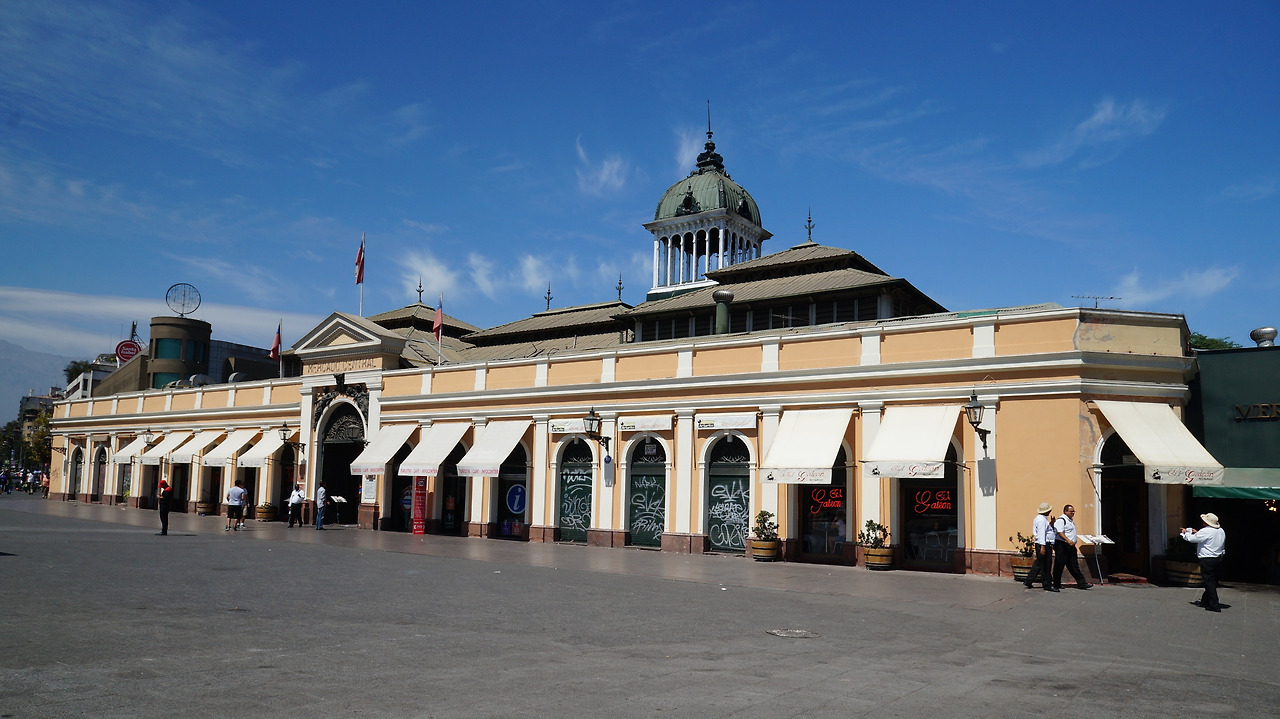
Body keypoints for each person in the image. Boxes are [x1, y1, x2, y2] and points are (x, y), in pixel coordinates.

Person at [1181, 513, 1227, 612]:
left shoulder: (1205, 531)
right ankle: (1206, 600)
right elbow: (1207, 539)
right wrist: (1197, 532)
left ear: (1206, 523)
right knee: (1213, 581)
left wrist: (1186, 533)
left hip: (1207, 559)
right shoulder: (1221, 531)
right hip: (1218, 558)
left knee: (1209, 582)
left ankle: (1214, 605)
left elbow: (1192, 539)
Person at [1052, 504, 1092, 589]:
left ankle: (1081, 583)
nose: (1073, 513)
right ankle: (1056, 583)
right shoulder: (1061, 520)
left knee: (1073, 565)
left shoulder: (1070, 520)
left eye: (1074, 511)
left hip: (1070, 546)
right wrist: (1068, 540)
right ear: (1065, 511)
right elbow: (1060, 532)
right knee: (1059, 564)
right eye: (1071, 511)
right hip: (1062, 545)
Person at [1024, 502, 1059, 591]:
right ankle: (1047, 584)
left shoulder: (1042, 519)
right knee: (1046, 565)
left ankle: (1028, 580)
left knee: (1039, 563)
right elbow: (1041, 533)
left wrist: (1051, 524)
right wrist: (1043, 546)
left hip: (1043, 543)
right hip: (1044, 544)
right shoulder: (1042, 520)